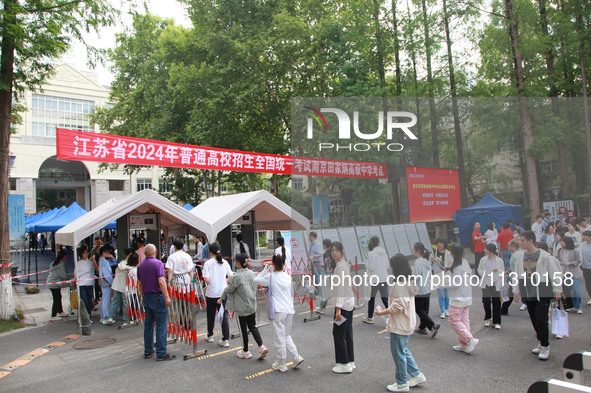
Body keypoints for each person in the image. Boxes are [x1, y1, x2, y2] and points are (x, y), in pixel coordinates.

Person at [374, 254, 426, 392]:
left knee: (398, 353)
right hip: (406, 322)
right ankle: (416, 375)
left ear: (395, 267)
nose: (391, 268)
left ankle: (402, 383)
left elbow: (398, 306)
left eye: (392, 266)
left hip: (400, 324)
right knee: (402, 350)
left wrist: (381, 313)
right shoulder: (408, 280)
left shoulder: (399, 284)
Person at [513, 230, 563, 361]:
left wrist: (557, 290)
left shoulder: (545, 257)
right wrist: (516, 291)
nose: (520, 243)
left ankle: (545, 346)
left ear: (530, 241)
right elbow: (517, 274)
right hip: (528, 292)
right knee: (534, 318)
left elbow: (555, 274)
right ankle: (541, 342)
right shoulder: (520, 257)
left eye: (522, 240)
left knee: (541, 319)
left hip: (543, 291)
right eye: (519, 240)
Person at [254, 254, 304, 373]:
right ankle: (296, 356)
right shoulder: (287, 277)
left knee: (279, 337)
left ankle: (282, 363)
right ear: (284, 264)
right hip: (289, 309)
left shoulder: (270, 277)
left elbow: (255, 280)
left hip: (277, 310)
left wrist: (265, 270)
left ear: (273, 264)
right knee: (285, 335)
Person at [219, 253, 268, 360]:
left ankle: (245, 350)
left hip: (241, 307)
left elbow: (229, 289)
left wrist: (221, 298)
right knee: (253, 326)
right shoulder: (251, 273)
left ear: (237, 263)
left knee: (243, 329)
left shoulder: (237, 277)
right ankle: (261, 345)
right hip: (251, 304)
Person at [137, 244, 174, 361]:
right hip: (157, 296)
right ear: (156, 251)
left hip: (147, 296)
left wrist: (142, 296)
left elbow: (140, 283)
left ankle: (148, 350)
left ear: (145, 253)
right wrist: (167, 296)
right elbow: (161, 281)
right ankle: (161, 352)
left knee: (148, 325)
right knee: (161, 325)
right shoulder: (158, 264)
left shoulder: (141, 266)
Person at [444, 244, 479, 353]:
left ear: (452, 253)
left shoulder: (457, 267)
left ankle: (469, 339)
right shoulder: (464, 263)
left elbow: (456, 284)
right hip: (466, 295)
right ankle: (464, 343)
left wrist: (442, 285)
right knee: (464, 320)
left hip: (458, 297)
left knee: (454, 319)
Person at [329, 242, 355, 374]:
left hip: (342, 304)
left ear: (341, 251)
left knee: (338, 334)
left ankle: (344, 363)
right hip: (349, 302)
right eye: (332, 250)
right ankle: (350, 360)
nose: (334, 253)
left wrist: (338, 309)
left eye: (336, 250)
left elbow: (339, 289)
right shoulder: (344, 264)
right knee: (347, 333)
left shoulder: (340, 267)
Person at [202, 243, 233, 347]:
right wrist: (225, 282)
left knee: (210, 315)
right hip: (222, 293)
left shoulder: (208, 263)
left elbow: (206, 279)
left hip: (211, 293)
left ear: (210, 251)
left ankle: (210, 335)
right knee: (223, 315)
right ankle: (225, 339)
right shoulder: (225, 262)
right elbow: (231, 275)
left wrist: (211, 282)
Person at [412, 242, 440, 337]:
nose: (413, 250)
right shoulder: (427, 261)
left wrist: (411, 278)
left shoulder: (418, 262)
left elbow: (417, 276)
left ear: (418, 251)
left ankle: (432, 325)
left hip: (420, 288)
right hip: (427, 287)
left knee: (418, 308)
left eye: (414, 249)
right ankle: (422, 327)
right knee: (425, 308)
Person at [363, 236, 390, 325]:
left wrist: (366, 265)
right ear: (378, 243)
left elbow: (371, 267)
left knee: (372, 298)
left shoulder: (371, 253)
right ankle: (392, 316)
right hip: (384, 278)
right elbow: (387, 266)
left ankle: (370, 317)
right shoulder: (384, 252)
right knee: (385, 298)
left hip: (375, 279)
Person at [477, 243, 504, 329]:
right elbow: (479, 269)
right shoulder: (483, 259)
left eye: (486, 249)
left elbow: (502, 271)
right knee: (486, 301)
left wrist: (497, 270)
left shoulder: (499, 260)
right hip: (485, 282)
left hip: (495, 282)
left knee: (496, 302)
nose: (485, 250)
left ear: (491, 251)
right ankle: (488, 317)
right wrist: (484, 272)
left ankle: (497, 321)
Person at [108, 248, 135, 325]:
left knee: (115, 301)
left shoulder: (122, 263)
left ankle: (111, 317)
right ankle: (126, 320)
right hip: (123, 286)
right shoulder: (125, 264)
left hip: (117, 285)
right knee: (125, 303)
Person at [558, 236, 582, 313]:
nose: (561, 243)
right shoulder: (560, 251)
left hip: (574, 273)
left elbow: (578, 261)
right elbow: (559, 259)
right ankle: (568, 305)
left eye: (563, 242)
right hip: (565, 272)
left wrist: (570, 263)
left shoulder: (575, 251)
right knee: (566, 290)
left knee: (576, 290)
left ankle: (578, 306)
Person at [47, 249, 72, 321]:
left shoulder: (54, 263)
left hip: (52, 283)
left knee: (58, 296)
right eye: (65, 256)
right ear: (63, 256)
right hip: (54, 284)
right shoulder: (61, 264)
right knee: (56, 299)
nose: (66, 258)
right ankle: (53, 315)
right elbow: (64, 276)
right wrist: (71, 276)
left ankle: (60, 311)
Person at [431, 239, 452, 319]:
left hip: (445, 275)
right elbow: (430, 259)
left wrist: (448, 268)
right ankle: (442, 310)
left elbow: (451, 263)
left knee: (446, 293)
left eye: (441, 243)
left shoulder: (447, 253)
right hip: (438, 275)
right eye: (438, 243)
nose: (439, 245)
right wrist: (433, 260)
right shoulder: (434, 251)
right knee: (441, 294)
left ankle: (447, 309)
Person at [502, 239, 523, 315]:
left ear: (513, 246)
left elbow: (519, 266)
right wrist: (509, 271)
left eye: (508, 245)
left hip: (516, 278)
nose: (507, 247)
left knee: (510, 294)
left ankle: (504, 309)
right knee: (510, 293)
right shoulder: (516, 254)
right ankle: (504, 309)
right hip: (516, 277)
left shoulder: (516, 255)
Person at [315, 238, 334, 313]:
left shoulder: (326, 254)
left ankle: (322, 308)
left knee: (325, 291)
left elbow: (328, 265)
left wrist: (323, 265)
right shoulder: (332, 252)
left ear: (325, 245)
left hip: (328, 274)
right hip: (334, 273)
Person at [77, 245, 95, 318]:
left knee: (89, 302)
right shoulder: (78, 263)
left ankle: (89, 315)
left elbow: (93, 271)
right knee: (84, 301)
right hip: (82, 284)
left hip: (89, 284)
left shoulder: (90, 262)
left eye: (87, 253)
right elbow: (76, 274)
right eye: (85, 253)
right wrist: (85, 272)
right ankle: (84, 316)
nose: (86, 254)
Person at [98, 246, 115, 325]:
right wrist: (112, 283)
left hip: (104, 283)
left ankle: (103, 315)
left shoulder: (102, 261)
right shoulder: (104, 262)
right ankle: (105, 316)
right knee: (106, 300)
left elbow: (114, 262)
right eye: (107, 252)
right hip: (106, 283)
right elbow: (107, 274)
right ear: (104, 253)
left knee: (104, 299)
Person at [307, 232, 323, 302]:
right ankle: (317, 292)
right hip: (313, 262)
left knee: (317, 277)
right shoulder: (312, 244)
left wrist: (313, 256)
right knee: (314, 278)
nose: (308, 238)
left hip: (316, 263)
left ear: (312, 236)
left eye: (309, 236)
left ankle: (320, 293)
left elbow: (320, 254)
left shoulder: (317, 244)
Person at [581, 231, 591, 305]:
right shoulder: (582, 245)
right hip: (585, 267)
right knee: (588, 284)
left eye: (585, 236)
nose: (583, 237)